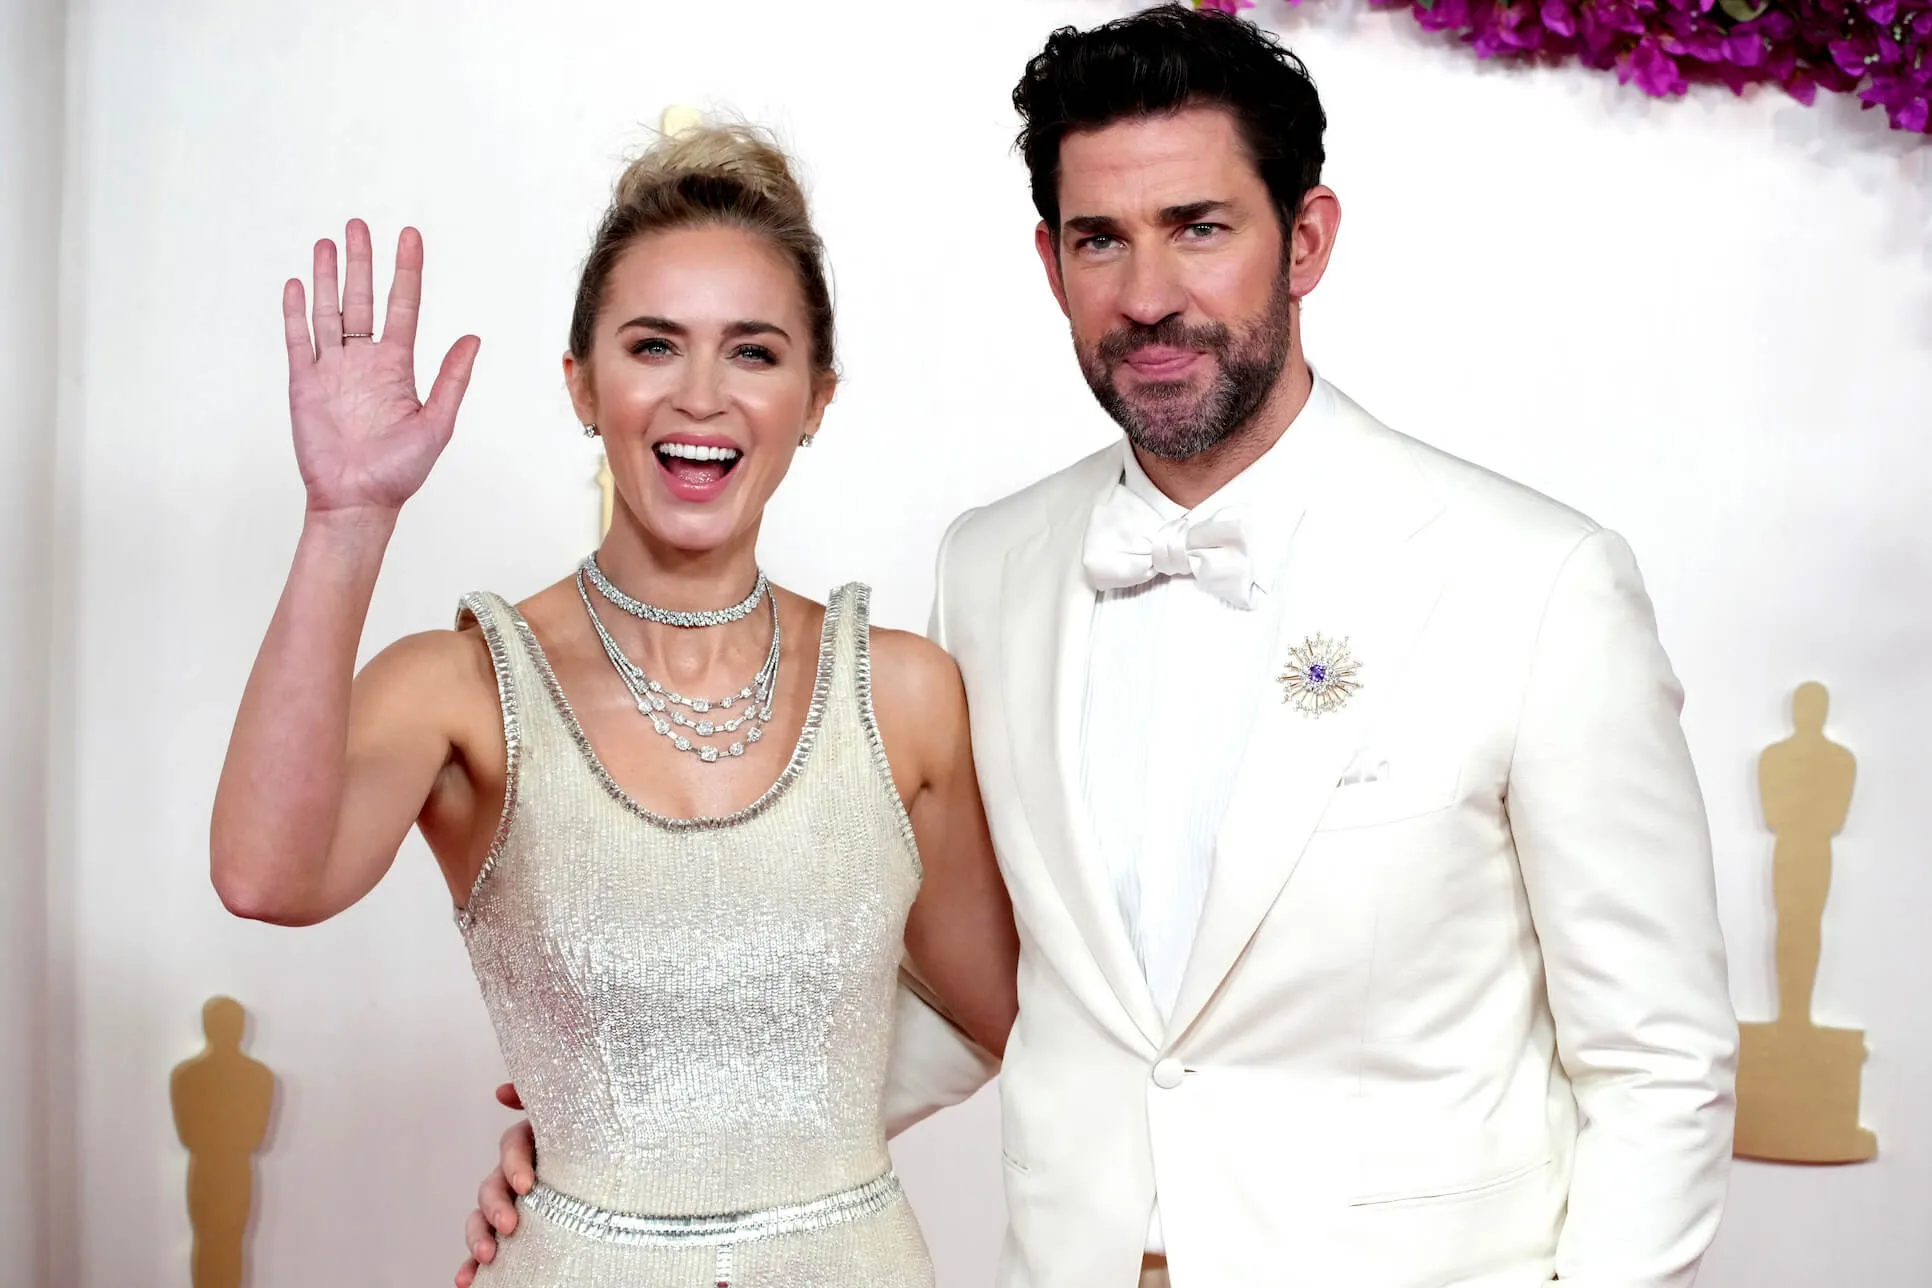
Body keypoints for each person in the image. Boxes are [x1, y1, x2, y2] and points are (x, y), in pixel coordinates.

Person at [467, 6, 1739, 1286]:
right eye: (1100, 240)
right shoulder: (992, 566)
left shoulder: (1536, 581)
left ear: (1306, 239)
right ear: (1050, 260)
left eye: (1199, 228)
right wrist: (633, 1146)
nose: (1146, 297)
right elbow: (989, 987)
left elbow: (1659, 1062)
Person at [210, 123, 1019, 1287]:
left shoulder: (903, 693)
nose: (701, 396)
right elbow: (263, 877)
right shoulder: (465, 687)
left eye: (754, 352)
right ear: (583, 384)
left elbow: (1007, 1017)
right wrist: (346, 521)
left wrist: (742, 1119)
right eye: (653, 346)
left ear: (816, 396)